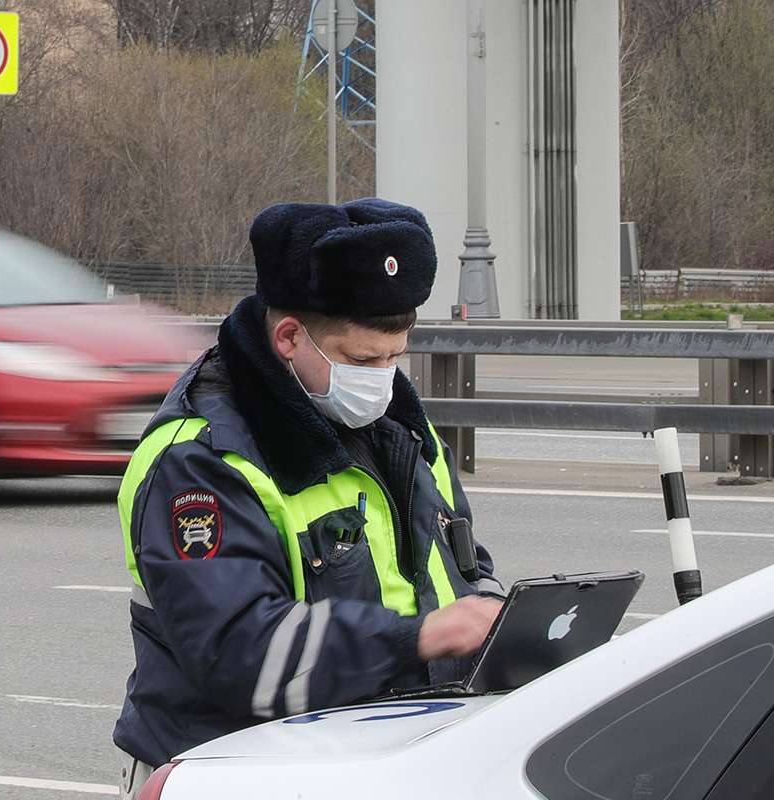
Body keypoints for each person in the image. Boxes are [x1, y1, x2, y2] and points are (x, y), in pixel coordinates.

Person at [113, 199, 506, 797]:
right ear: (290, 338)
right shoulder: (201, 458)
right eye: (361, 359)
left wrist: (508, 625)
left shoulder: (402, 427)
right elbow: (239, 652)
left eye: (397, 357)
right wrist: (422, 636)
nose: (382, 379)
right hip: (231, 775)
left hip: (371, 763)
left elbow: (461, 567)